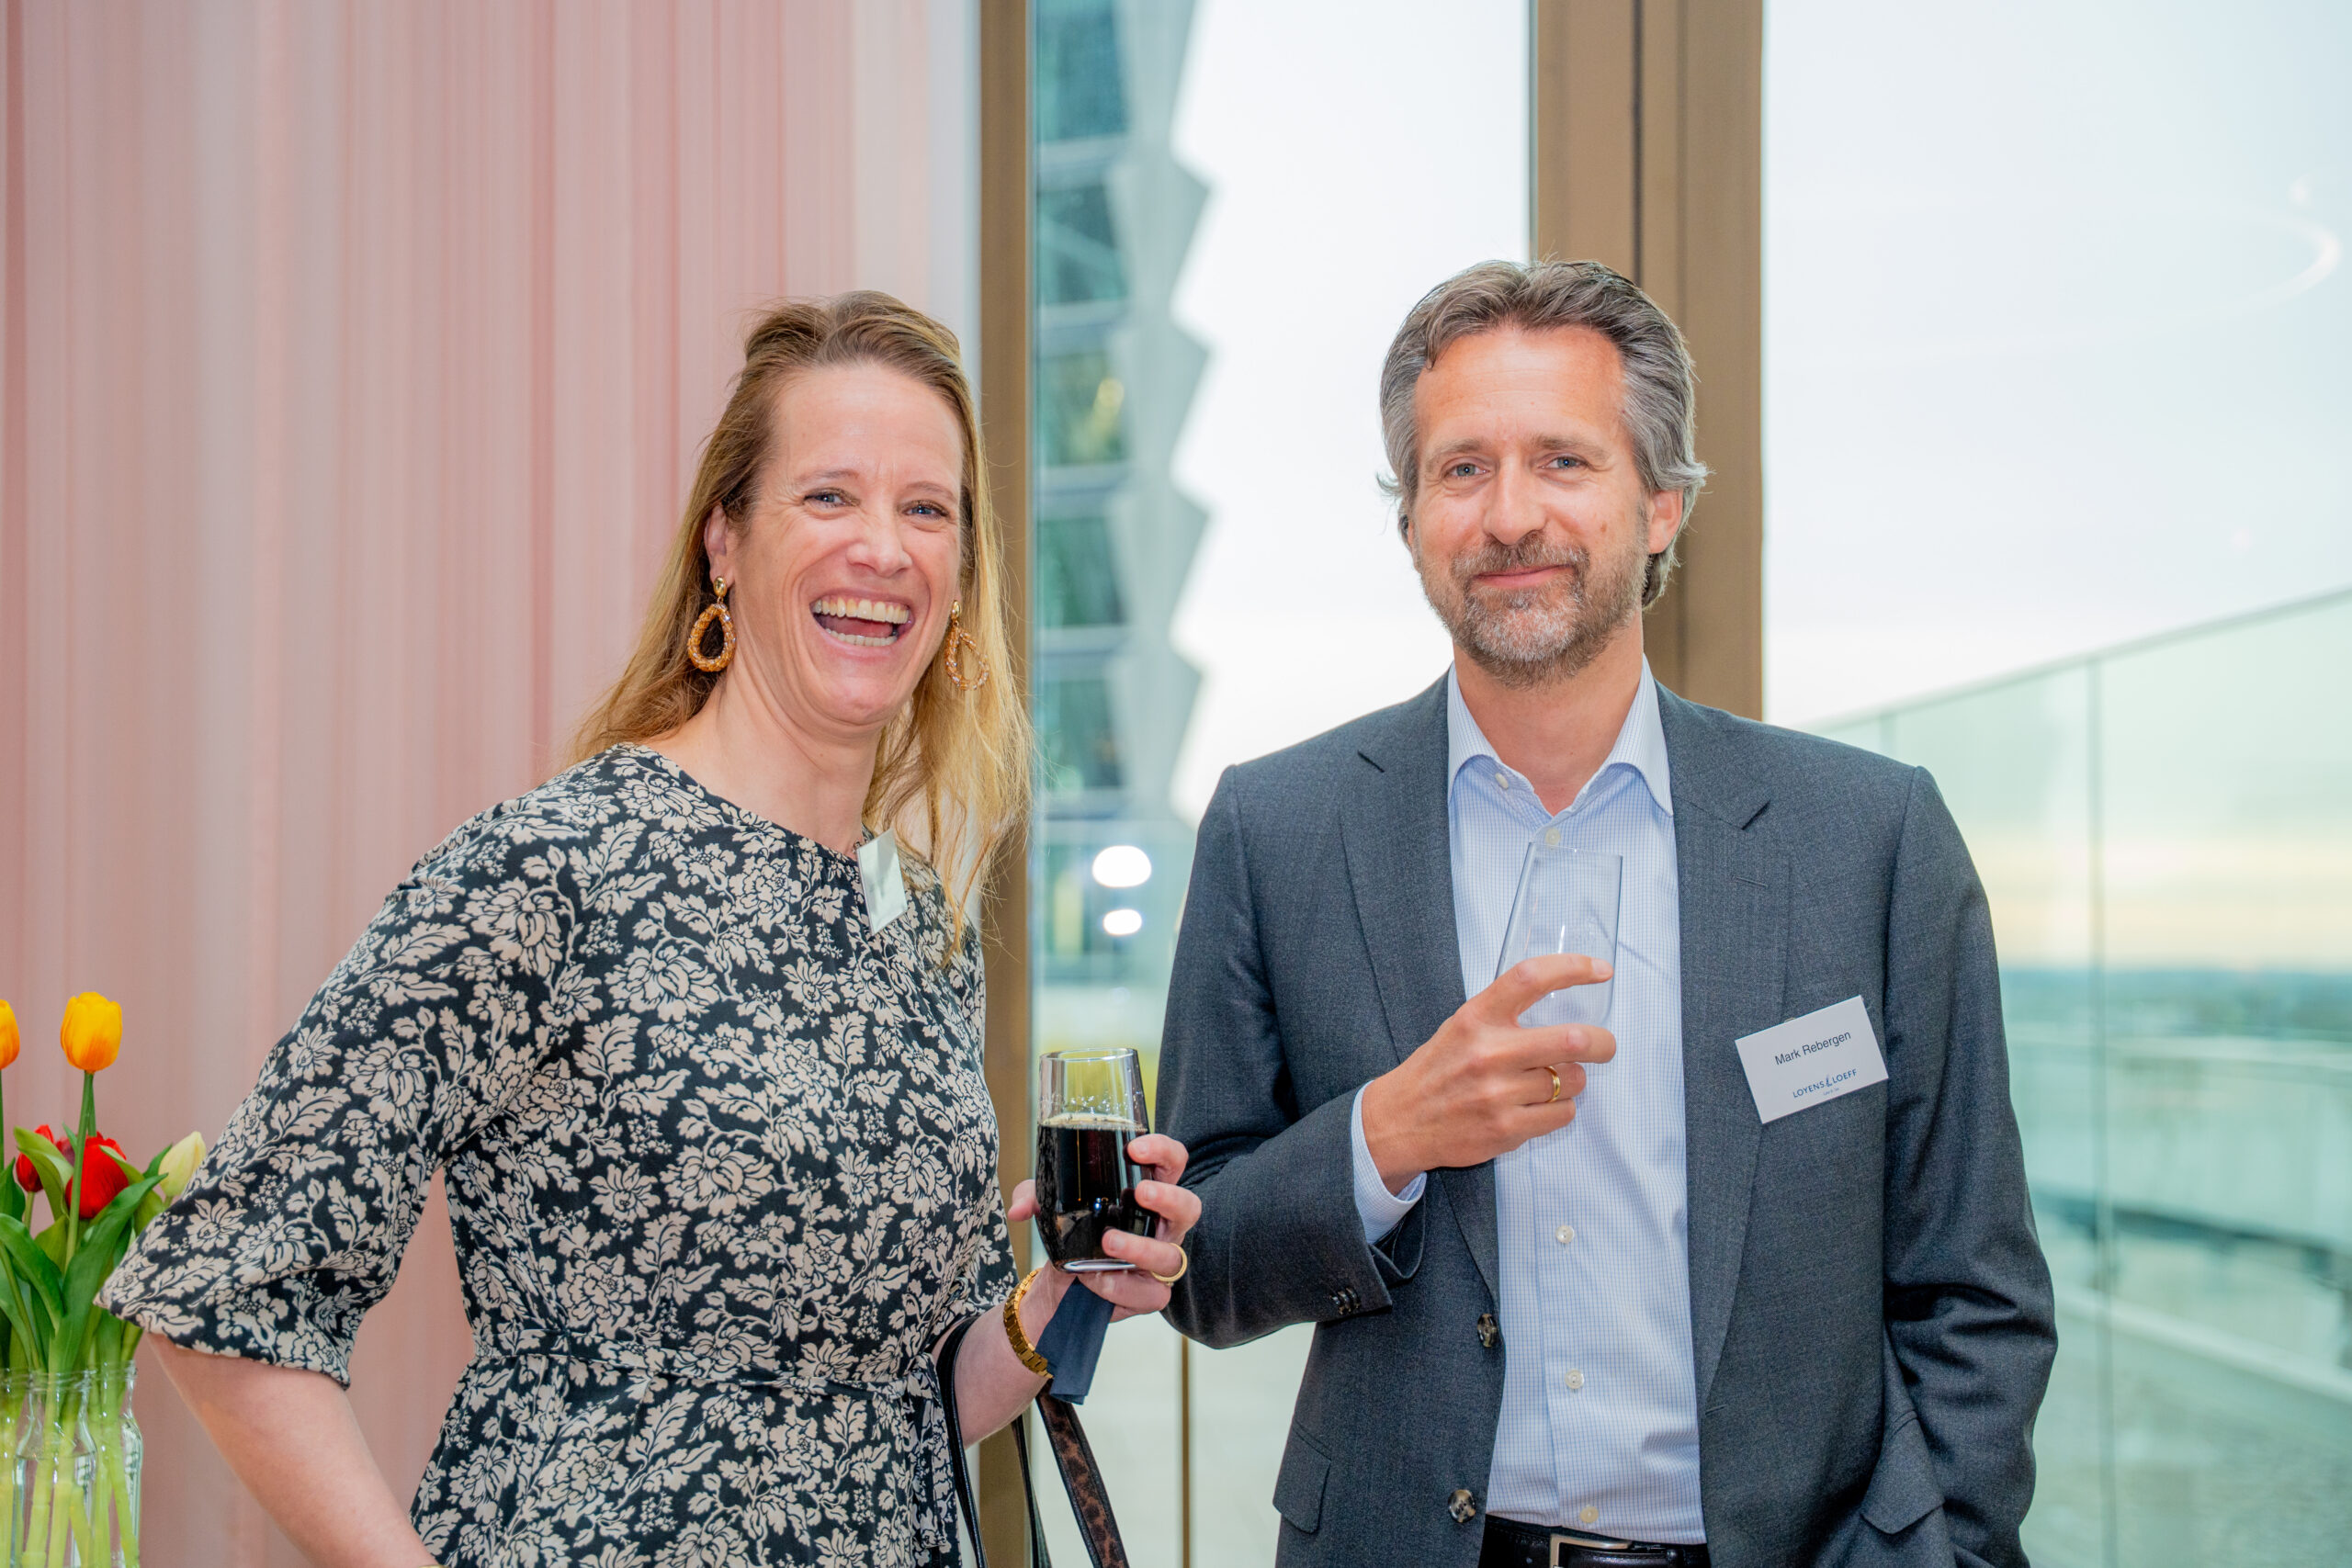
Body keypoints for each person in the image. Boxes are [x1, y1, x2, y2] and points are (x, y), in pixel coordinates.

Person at [103, 292, 1199, 1568]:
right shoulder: (553, 868)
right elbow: (223, 1284)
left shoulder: (921, 931)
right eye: (829, 496)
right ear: (724, 541)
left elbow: (895, 1402)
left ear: (960, 581)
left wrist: (1055, 1299)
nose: (883, 549)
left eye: (926, 510)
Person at [1156, 260, 2053, 1568]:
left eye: (1563, 462)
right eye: (1462, 470)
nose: (1510, 514)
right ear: (1411, 518)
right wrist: (1384, 1138)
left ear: (1662, 504)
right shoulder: (1276, 830)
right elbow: (1199, 1261)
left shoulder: (1869, 838)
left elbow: (1978, 1289)